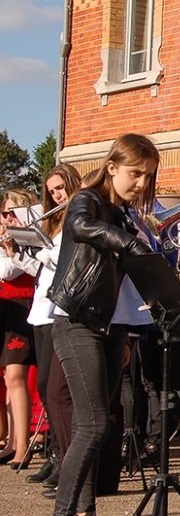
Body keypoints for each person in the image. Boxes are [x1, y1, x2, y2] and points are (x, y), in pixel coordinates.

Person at [46, 133, 159, 516]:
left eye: (148, 176)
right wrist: (130, 243)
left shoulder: (122, 214)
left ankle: (85, 507)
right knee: (93, 425)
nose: (141, 183)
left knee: (96, 424)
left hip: (110, 326)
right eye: (135, 173)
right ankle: (65, 510)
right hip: (76, 321)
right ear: (112, 167)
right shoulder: (87, 199)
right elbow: (78, 227)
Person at [5, 165, 82, 484]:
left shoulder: (77, 218)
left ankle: (65, 458)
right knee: (45, 388)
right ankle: (55, 454)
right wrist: (17, 249)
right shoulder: (52, 219)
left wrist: (37, 244)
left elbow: (65, 259)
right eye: (51, 191)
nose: (57, 195)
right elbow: (38, 267)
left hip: (60, 310)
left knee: (55, 388)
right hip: (41, 308)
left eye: (61, 188)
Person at [0, 188, 40, 468]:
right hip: (6, 309)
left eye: (10, 213)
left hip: (23, 305)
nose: (5, 218)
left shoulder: (30, 237)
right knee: (8, 378)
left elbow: (8, 271)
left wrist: (9, 249)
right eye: (3, 214)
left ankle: (23, 446)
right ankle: (13, 440)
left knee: (16, 376)